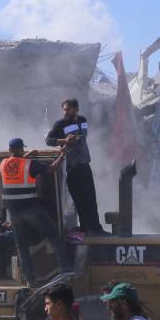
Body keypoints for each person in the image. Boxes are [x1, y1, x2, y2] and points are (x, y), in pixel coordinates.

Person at [0, 138, 68, 286]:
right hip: (30, 208)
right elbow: (49, 170)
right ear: (19, 149)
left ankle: (30, 280)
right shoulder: (29, 164)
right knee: (53, 233)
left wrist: (28, 154)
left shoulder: (3, 164)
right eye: (22, 149)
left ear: (9, 149)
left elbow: (16, 165)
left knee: (21, 247)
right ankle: (65, 268)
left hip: (14, 212)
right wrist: (62, 156)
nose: (23, 151)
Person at [45, 98, 104, 235]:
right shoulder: (60, 124)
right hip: (72, 166)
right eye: (64, 110)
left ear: (76, 109)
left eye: (68, 109)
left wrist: (75, 139)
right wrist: (64, 141)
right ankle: (84, 228)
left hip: (84, 163)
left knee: (90, 197)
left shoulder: (82, 120)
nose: (66, 112)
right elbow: (48, 140)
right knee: (79, 199)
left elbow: (82, 137)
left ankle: (95, 227)